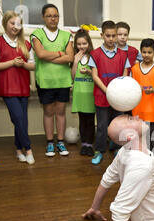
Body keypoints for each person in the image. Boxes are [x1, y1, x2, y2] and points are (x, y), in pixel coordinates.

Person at [0, 11, 35, 165]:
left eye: (18, 24)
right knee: (19, 118)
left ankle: (18, 149)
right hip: (7, 88)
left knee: (21, 121)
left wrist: (23, 64)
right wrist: (12, 63)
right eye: (12, 23)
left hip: (23, 87)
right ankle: (28, 149)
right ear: (5, 23)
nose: (16, 27)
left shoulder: (26, 43)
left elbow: (33, 66)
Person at [31, 4, 74, 157]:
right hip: (45, 81)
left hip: (63, 80)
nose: (53, 18)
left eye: (55, 15)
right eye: (49, 16)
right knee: (49, 112)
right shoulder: (37, 34)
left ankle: (60, 142)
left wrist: (50, 58)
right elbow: (40, 54)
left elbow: (70, 57)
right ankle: (50, 142)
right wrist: (58, 53)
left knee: (61, 112)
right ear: (43, 17)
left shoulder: (66, 35)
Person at [89, 20, 130, 165]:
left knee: (118, 125)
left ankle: (117, 149)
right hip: (102, 96)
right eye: (108, 36)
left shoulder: (122, 55)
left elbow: (125, 76)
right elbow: (95, 76)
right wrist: (108, 91)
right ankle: (99, 151)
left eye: (114, 36)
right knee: (102, 125)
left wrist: (117, 92)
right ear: (102, 35)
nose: (111, 39)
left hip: (118, 98)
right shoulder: (95, 54)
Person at [131, 38, 154, 151]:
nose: (146, 55)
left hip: (152, 108)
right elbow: (130, 85)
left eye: (149, 52)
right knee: (138, 133)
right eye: (144, 52)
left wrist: (153, 90)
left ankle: (153, 156)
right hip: (138, 107)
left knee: (152, 134)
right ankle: (139, 153)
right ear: (141, 51)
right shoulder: (134, 69)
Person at [71, 29, 95, 157]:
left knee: (90, 121)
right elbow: (73, 76)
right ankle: (84, 144)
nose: (82, 46)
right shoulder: (75, 57)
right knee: (82, 120)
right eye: (79, 44)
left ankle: (90, 145)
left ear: (89, 43)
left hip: (90, 94)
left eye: (84, 43)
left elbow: (97, 75)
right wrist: (75, 61)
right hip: (79, 94)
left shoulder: (93, 57)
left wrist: (89, 72)